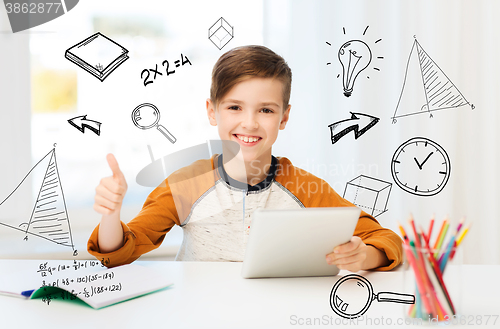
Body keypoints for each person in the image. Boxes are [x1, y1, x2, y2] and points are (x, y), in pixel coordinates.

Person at [88, 45, 402, 272]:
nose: (250, 123)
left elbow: (385, 239)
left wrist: (366, 256)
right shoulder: (186, 184)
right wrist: (110, 215)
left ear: (284, 117)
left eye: (265, 110)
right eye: (235, 107)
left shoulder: (306, 187)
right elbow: (120, 251)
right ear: (212, 111)